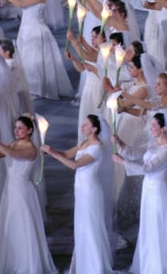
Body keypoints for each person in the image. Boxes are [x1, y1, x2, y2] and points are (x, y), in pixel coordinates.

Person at [113, 113, 167, 274]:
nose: (151, 128)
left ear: (163, 129)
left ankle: (161, 265)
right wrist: (120, 144)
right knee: (148, 226)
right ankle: (148, 261)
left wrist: (122, 162)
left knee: (159, 226)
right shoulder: (153, 144)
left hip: (159, 193)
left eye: (154, 126)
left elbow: (148, 168)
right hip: (148, 192)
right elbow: (134, 153)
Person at [0, 116, 58, 274]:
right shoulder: (16, 143)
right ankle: (11, 260)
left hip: (22, 191)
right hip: (10, 190)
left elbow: (11, 153)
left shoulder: (30, 148)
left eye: (20, 128)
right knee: (10, 224)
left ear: (29, 130)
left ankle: (25, 264)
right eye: (15, 127)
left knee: (22, 224)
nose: (16, 130)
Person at [43, 115, 113, 274]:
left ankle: (94, 267)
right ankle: (83, 264)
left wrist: (53, 154)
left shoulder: (97, 148)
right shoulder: (84, 143)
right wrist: (49, 150)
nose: (83, 126)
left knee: (90, 227)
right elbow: (67, 154)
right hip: (81, 191)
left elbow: (75, 165)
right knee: (82, 227)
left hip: (90, 192)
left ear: (94, 129)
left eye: (86, 124)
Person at [0, 0, 72, 100]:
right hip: (25, 29)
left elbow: (21, 4)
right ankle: (26, 86)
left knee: (33, 59)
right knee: (25, 58)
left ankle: (36, 88)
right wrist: (6, 1)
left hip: (36, 30)